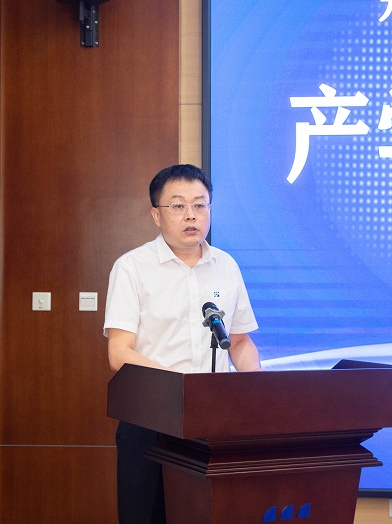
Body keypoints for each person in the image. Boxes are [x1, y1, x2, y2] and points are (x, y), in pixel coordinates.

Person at [103, 164, 262, 524]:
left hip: (215, 420)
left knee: (209, 513)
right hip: (150, 419)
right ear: (156, 215)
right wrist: (183, 388)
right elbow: (119, 353)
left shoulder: (226, 266)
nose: (191, 215)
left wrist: (256, 385)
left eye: (200, 205)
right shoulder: (132, 267)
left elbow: (239, 341)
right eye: (178, 206)